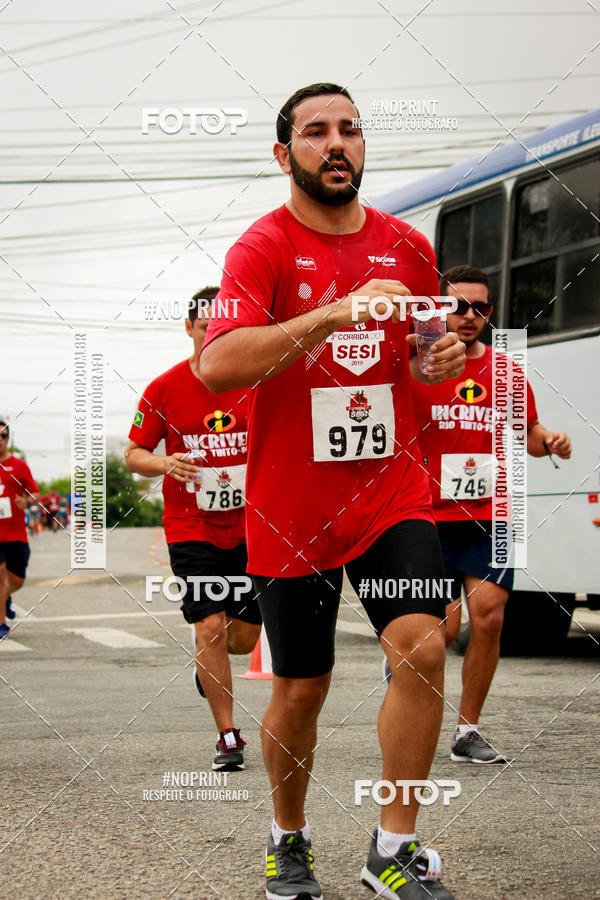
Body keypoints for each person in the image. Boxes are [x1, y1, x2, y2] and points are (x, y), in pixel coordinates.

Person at [200, 83, 466, 900]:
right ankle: (289, 838)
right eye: (315, 132)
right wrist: (334, 310)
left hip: (391, 493)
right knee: (302, 688)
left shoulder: (408, 248)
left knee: (422, 646)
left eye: (350, 128)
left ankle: (392, 848)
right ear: (285, 156)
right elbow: (219, 363)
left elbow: (422, 359)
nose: (336, 142)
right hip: (292, 509)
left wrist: (436, 363)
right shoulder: (263, 250)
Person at [410, 265, 572, 764]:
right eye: (458, 305)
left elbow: (530, 431)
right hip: (427, 516)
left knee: (490, 618)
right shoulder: (420, 368)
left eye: (480, 308)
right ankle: (413, 718)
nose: (469, 316)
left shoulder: (506, 371)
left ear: (490, 313)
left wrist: (552, 442)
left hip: (491, 513)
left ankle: (466, 731)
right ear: (440, 309)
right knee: (435, 631)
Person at [125, 287, 261, 772]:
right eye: (206, 327)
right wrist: (164, 461)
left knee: (241, 640)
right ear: (190, 328)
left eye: (225, 327)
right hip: (191, 526)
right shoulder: (165, 388)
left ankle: (212, 665)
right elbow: (134, 455)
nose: (215, 334)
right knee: (210, 626)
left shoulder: (258, 380)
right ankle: (227, 736)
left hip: (252, 527)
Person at [0, 421, 40, 638]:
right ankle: (2, 624)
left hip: (15, 534)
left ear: (8, 439)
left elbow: (35, 494)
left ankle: (4, 598)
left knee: (16, 580)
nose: (0, 439)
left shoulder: (19, 466)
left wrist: (27, 502)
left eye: (4, 435)